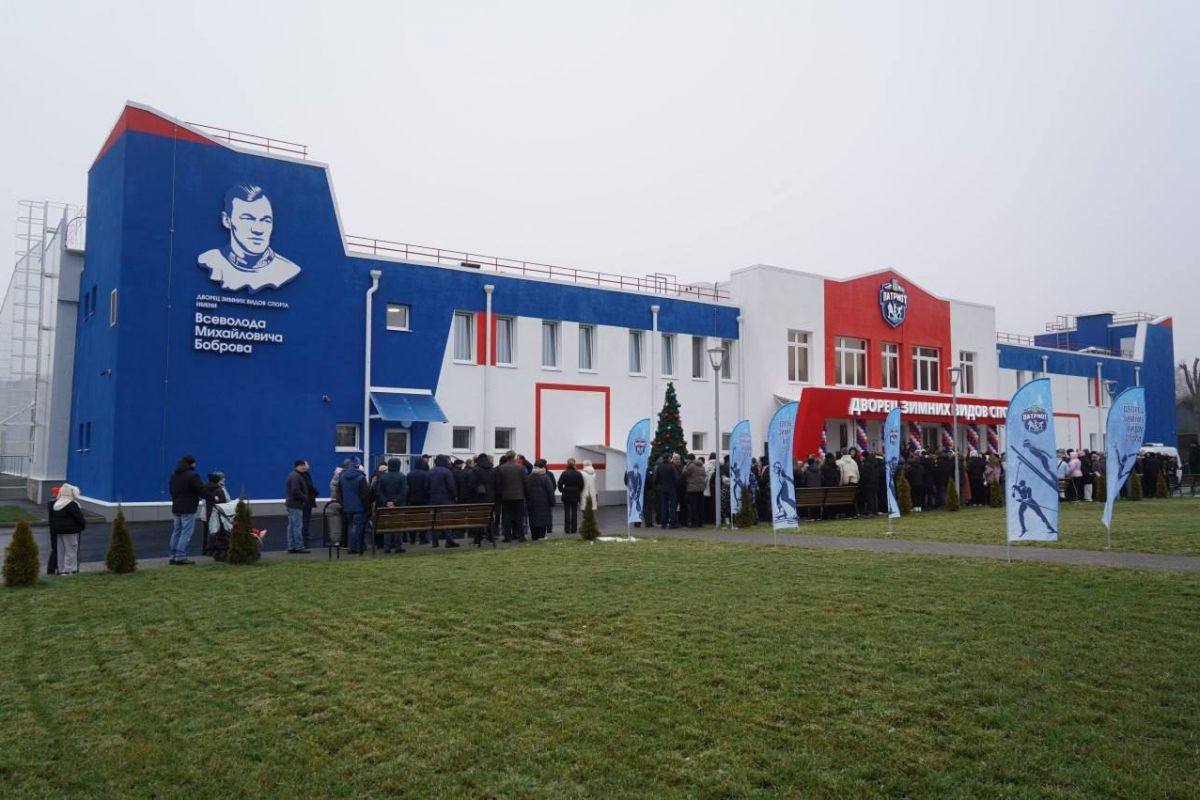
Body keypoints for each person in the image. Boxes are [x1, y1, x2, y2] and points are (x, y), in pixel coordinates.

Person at [197, 184, 301, 291]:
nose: (258, 229)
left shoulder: (288, 271)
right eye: (247, 219)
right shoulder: (209, 260)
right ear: (227, 221)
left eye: (266, 220)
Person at [168, 454, 210, 565]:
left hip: (176, 507)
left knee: (176, 531)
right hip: (188, 508)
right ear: (191, 464)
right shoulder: (193, 476)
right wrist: (211, 497)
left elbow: (171, 490)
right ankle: (180, 556)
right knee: (186, 533)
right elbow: (201, 490)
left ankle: (173, 555)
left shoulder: (174, 475)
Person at [48, 483, 86, 575]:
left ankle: (61, 569)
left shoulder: (56, 504)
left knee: (61, 551)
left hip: (58, 531)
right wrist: (82, 526)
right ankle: (69, 570)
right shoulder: (72, 504)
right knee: (71, 550)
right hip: (71, 531)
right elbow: (79, 518)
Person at [375, 457, 409, 554]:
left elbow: (379, 492)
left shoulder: (383, 477)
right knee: (398, 526)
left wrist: (387, 502)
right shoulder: (402, 476)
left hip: (387, 506)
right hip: (399, 506)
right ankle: (398, 546)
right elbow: (404, 491)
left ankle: (387, 546)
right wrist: (395, 502)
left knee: (388, 526)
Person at [339, 459, 370, 554]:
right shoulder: (361, 478)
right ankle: (355, 547)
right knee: (357, 527)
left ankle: (351, 546)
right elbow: (365, 495)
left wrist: (344, 503)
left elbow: (340, 492)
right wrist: (367, 507)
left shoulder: (342, 477)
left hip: (347, 506)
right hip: (359, 507)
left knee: (351, 526)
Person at [429, 455, 461, 548]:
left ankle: (435, 540)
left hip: (433, 499)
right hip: (445, 499)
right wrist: (455, 496)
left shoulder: (430, 471)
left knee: (435, 519)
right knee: (447, 519)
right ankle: (449, 540)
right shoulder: (447, 472)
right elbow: (451, 486)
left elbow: (426, 486)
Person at [497, 451, 527, 542]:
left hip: (506, 496)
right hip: (519, 496)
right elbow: (525, 481)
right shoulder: (520, 467)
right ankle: (521, 536)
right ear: (514, 457)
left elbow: (498, 483)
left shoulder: (501, 468)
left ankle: (507, 537)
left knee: (507, 517)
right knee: (519, 517)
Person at [285, 460, 313, 554]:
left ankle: (291, 546)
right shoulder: (296, 476)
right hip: (296, 504)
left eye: (304, 465)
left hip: (291, 504)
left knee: (291, 526)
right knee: (297, 526)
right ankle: (299, 546)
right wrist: (305, 498)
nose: (304, 467)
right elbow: (295, 491)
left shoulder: (293, 475)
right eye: (302, 465)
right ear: (297, 466)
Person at [525, 460, 556, 539]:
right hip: (544, 503)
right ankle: (541, 537)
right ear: (543, 467)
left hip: (532, 502)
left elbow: (526, 490)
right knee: (543, 520)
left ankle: (534, 537)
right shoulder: (545, 477)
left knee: (533, 519)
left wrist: (527, 501)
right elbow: (550, 491)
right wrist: (552, 502)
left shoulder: (529, 477)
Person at [472, 453, 498, 545]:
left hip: (479, 497)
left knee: (479, 518)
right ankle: (491, 536)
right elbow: (496, 483)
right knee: (490, 518)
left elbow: (471, 484)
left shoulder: (475, 470)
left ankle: (477, 539)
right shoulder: (493, 470)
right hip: (491, 497)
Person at [406, 455, 431, 545]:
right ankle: (422, 538)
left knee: (412, 520)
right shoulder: (426, 474)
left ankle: (412, 538)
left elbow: (407, 488)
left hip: (412, 500)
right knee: (423, 520)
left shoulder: (409, 474)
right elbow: (427, 488)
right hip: (423, 500)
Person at [558, 459, 585, 534]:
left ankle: (567, 529)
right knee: (574, 511)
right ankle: (574, 529)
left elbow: (559, 483)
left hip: (566, 492)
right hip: (575, 493)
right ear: (574, 464)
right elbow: (582, 484)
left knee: (567, 512)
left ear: (567, 464)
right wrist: (578, 490)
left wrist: (562, 490)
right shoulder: (578, 473)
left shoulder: (564, 473)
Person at [655, 455, 681, 529]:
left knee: (663, 506)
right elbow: (676, 478)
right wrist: (676, 486)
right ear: (669, 458)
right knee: (672, 506)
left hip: (662, 489)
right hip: (672, 489)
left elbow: (656, 479)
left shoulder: (659, 467)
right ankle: (672, 523)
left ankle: (663, 523)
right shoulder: (672, 467)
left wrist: (659, 485)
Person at [684, 455, 707, 528]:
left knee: (693, 506)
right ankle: (701, 522)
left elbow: (684, 473)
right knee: (700, 506)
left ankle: (694, 522)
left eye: (686, 460)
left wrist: (685, 467)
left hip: (692, 489)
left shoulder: (691, 466)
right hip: (701, 489)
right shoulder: (701, 465)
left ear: (689, 460)